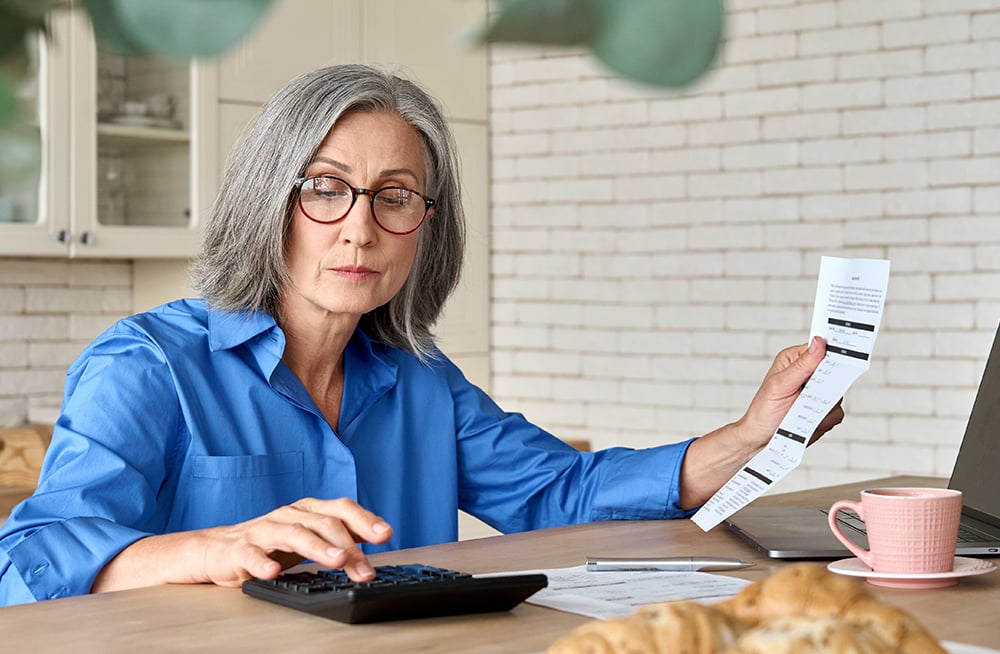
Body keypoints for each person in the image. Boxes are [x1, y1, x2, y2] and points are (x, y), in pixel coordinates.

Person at [0, 64, 843, 605]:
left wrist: (750, 435)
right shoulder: (147, 364)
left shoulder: (421, 378)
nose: (359, 229)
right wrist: (213, 548)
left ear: (425, 227)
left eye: (395, 195)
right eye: (326, 189)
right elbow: (25, 564)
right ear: (270, 203)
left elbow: (563, 494)